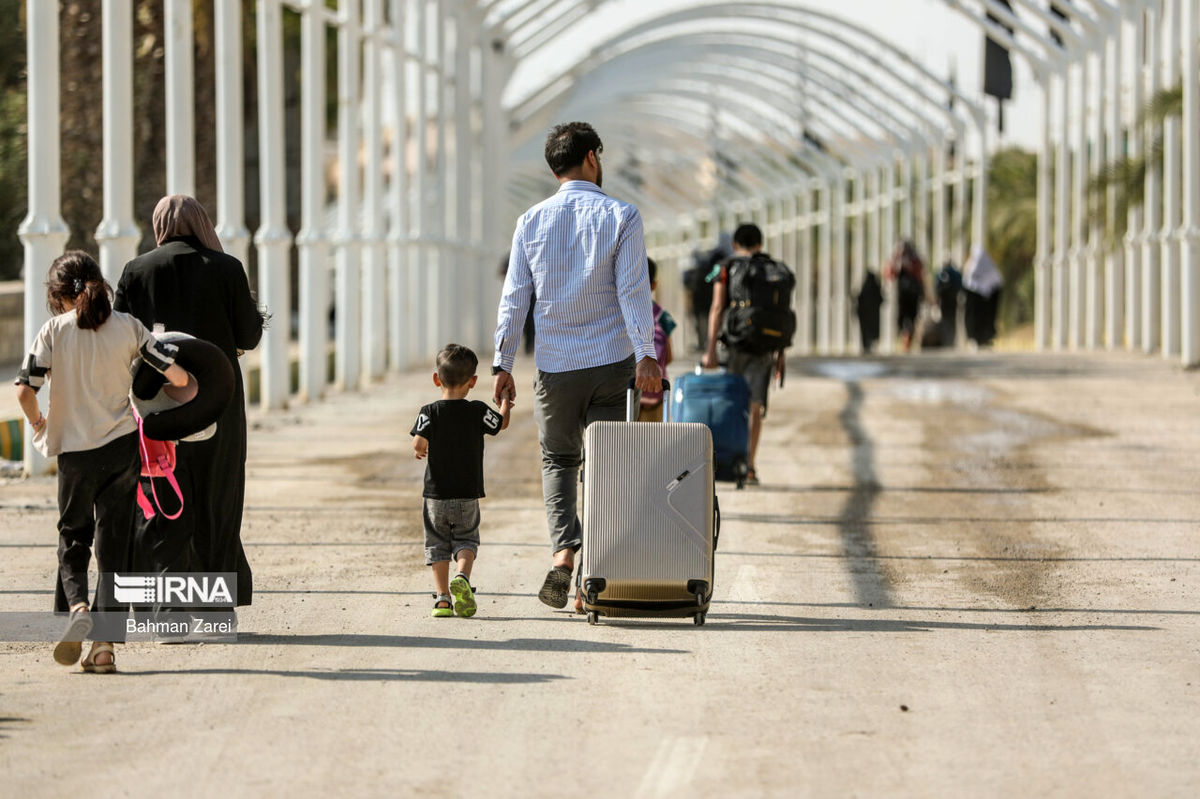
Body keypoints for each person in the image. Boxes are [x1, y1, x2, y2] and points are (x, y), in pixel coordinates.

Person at [491, 121, 662, 611]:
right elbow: (633, 291)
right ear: (591, 157)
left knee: (558, 461)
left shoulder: (530, 221)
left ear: (553, 168)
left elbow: (514, 299)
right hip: (611, 363)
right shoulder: (622, 216)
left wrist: (502, 365)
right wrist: (646, 353)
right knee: (608, 468)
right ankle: (596, 576)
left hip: (556, 366)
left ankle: (564, 554)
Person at [14, 251, 187, 672]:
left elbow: (24, 389)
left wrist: (40, 423)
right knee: (114, 547)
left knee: (74, 539)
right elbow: (176, 374)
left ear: (57, 295)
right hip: (121, 450)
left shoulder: (53, 331)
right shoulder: (128, 327)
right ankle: (104, 647)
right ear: (99, 282)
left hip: (75, 454)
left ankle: (77, 610)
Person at [115, 195, 264, 606]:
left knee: (163, 491)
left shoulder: (136, 270)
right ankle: (214, 605)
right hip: (220, 396)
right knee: (218, 494)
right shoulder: (227, 267)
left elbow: (118, 338)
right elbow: (249, 336)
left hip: (154, 402)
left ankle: (166, 600)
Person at [411, 344, 511, 618]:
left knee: (438, 543)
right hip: (467, 493)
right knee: (466, 539)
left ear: (436, 379)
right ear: (473, 382)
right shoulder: (477, 410)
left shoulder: (428, 411)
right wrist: (504, 402)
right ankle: (463, 577)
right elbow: (500, 423)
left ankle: (443, 599)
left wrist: (420, 449)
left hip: (435, 495)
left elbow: (419, 442)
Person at [701, 223, 792, 487]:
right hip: (765, 347)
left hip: (734, 345)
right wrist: (781, 355)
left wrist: (710, 351)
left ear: (735, 244)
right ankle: (750, 465)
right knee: (755, 406)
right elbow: (782, 317)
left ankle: (726, 461)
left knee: (729, 402)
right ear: (760, 244)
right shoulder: (774, 270)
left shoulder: (726, 267)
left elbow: (717, 308)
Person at [638, 257, 676, 422]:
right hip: (658, 393)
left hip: (631, 394)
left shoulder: (624, 316)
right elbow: (669, 357)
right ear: (654, 284)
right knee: (655, 443)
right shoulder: (662, 315)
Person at [886, 240, 926, 352]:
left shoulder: (915, 260)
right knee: (901, 318)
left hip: (913, 295)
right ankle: (904, 340)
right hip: (901, 296)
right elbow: (890, 275)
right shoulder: (896, 260)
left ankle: (909, 341)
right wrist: (897, 264)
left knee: (912, 318)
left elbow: (920, 276)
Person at [963, 246, 1003, 347]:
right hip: (977, 306)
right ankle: (977, 338)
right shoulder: (976, 269)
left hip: (985, 306)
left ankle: (985, 338)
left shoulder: (973, 267)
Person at [856, 271, 883, 354]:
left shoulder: (866, 287)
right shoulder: (874, 287)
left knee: (866, 331)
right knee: (870, 330)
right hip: (870, 315)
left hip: (866, 315)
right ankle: (868, 344)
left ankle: (867, 345)